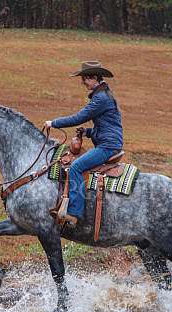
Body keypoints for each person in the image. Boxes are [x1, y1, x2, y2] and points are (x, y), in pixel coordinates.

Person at [44, 61, 123, 225]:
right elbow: (107, 126)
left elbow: (79, 117)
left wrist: (54, 123)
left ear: (94, 78)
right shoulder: (104, 96)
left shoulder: (100, 98)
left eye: (85, 79)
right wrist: (88, 132)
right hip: (109, 142)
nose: (83, 83)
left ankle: (74, 212)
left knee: (75, 168)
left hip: (107, 146)